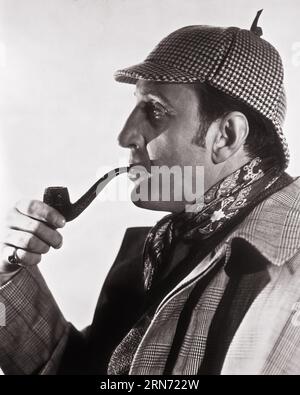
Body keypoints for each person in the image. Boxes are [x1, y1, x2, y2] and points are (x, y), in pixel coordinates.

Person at [1, 12, 300, 375]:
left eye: (156, 110)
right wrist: (8, 275)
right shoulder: (166, 246)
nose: (126, 135)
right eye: (136, 105)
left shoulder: (287, 281)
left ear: (227, 137)